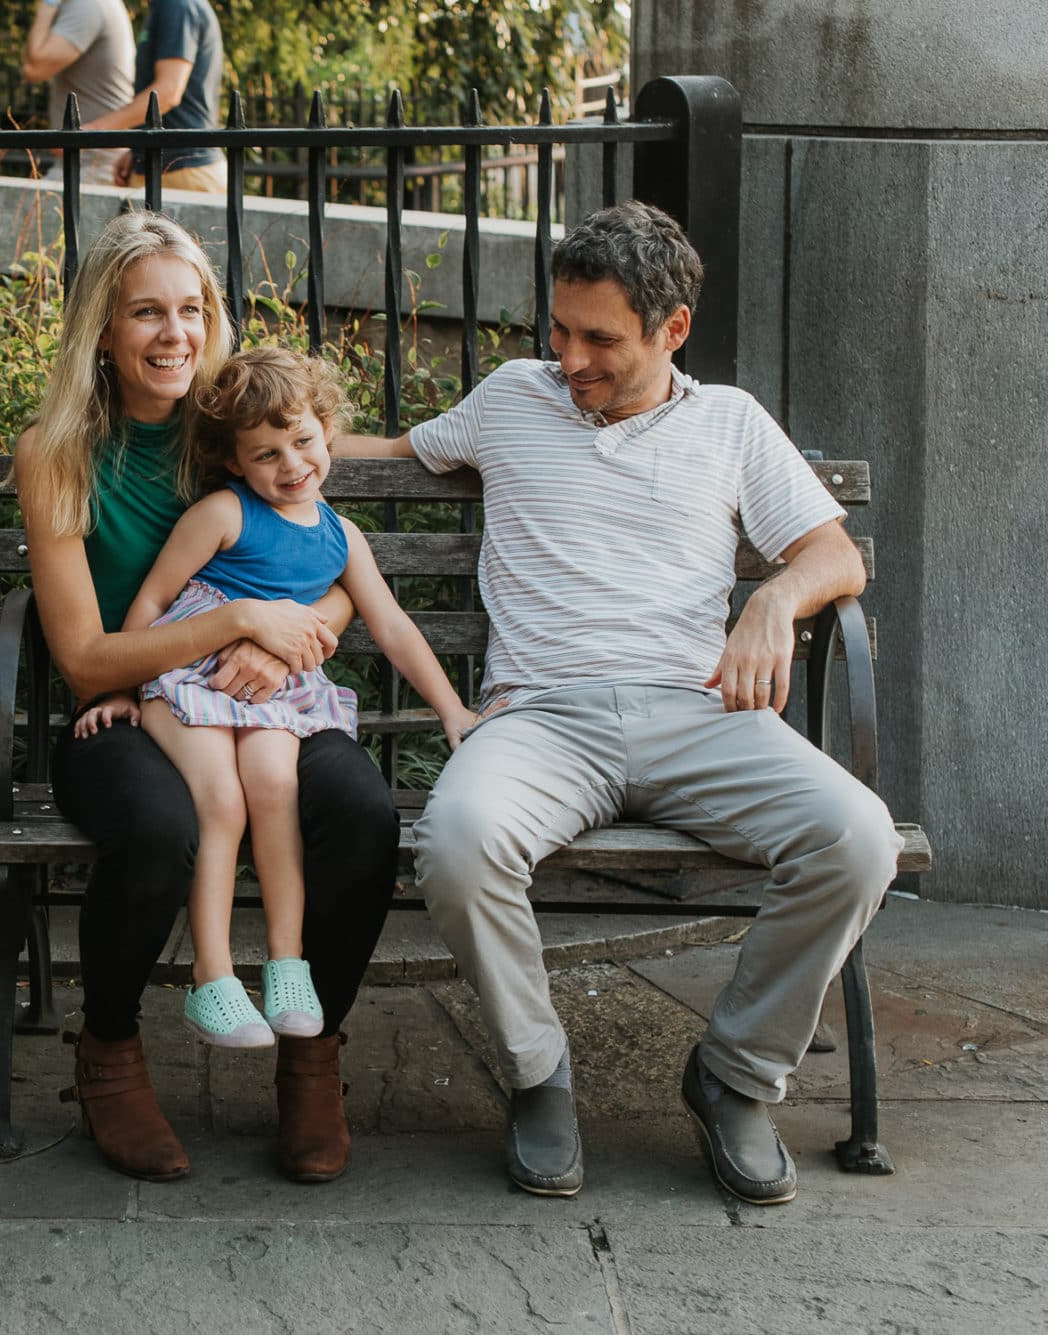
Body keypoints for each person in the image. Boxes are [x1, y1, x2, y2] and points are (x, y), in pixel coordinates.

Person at [344, 201, 904, 1206]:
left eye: (598, 338)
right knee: (456, 843)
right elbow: (377, 454)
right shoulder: (511, 396)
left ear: (670, 330)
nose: (567, 359)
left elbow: (830, 554)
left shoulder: (728, 421)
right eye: (557, 330)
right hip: (539, 720)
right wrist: (219, 438)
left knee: (857, 839)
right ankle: (535, 1074)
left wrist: (772, 599)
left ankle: (732, 1077)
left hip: (697, 715)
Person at [11, 211, 396, 1185]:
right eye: (146, 312)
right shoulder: (56, 454)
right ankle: (107, 1053)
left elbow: (337, 545)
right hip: (124, 708)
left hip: (267, 699)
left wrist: (305, 632)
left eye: (190, 309)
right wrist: (235, 625)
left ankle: (312, 1052)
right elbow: (85, 660)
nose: (173, 333)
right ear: (101, 328)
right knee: (154, 828)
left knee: (361, 813)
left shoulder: (228, 428)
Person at [72, 349, 474, 1052]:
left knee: (275, 787)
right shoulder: (223, 512)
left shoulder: (341, 536)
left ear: (327, 430)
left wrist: (453, 710)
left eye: (303, 442)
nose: (290, 465)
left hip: (272, 690)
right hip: (192, 675)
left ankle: (286, 965)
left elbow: (392, 626)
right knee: (220, 800)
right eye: (265, 453)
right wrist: (126, 691)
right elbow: (154, 600)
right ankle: (214, 976)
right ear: (234, 461)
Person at [80, 0, 227, 193]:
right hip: (167, 166)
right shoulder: (165, 7)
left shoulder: (177, 6)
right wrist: (138, 149)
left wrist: (90, 133)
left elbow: (168, 92)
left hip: (183, 171)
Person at [20, 0, 136, 187]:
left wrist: (47, 6)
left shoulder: (87, 6)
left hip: (92, 167)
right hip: (87, 163)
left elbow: (35, 68)